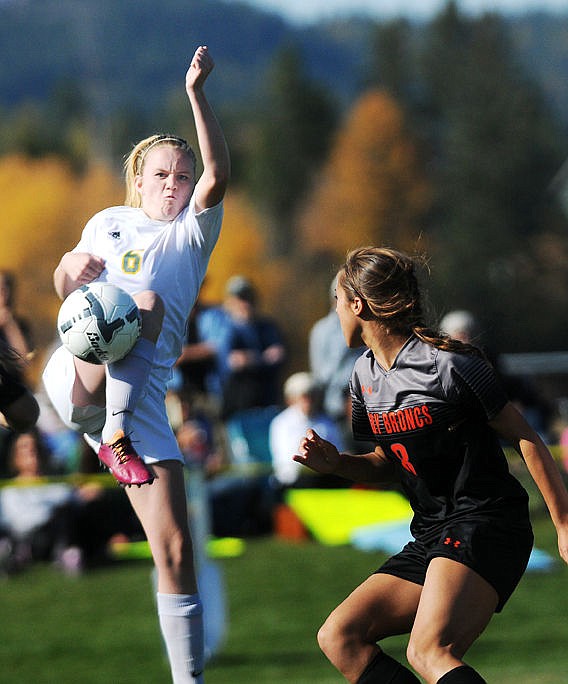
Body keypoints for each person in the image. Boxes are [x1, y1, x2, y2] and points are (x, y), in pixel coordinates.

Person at [293, 246, 568, 684]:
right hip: (434, 533)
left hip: (486, 522)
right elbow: (387, 463)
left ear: (358, 305)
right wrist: (338, 463)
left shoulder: (450, 365)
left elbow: (526, 438)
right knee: (340, 636)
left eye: (337, 303)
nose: (336, 314)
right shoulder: (363, 377)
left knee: (429, 652)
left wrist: (564, 523)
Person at [42, 45, 229, 684]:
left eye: (181, 175)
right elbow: (62, 280)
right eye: (162, 175)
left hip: (139, 400)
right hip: (78, 380)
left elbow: (218, 176)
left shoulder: (192, 234)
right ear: (138, 181)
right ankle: (113, 432)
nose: (174, 184)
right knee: (139, 300)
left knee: (175, 550)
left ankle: (188, 679)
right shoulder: (109, 222)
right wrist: (75, 270)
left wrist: (197, 93)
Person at [220, 274, 286, 418]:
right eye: (241, 298)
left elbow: (279, 355)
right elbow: (234, 361)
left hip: (268, 401)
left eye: (249, 297)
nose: (246, 303)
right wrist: (263, 358)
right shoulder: (226, 329)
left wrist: (249, 359)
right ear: (231, 301)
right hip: (238, 407)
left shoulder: (267, 327)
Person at [269, 371, 345, 488]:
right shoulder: (281, 423)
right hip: (296, 480)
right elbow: (286, 462)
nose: (309, 401)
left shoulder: (327, 422)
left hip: (326, 478)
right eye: (304, 396)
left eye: (312, 395)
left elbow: (339, 451)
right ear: (292, 399)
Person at [309, 275, 365, 423]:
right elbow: (320, 374)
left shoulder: (362, 323)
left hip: (361, 401)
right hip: (333, 406)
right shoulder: (321, 330)